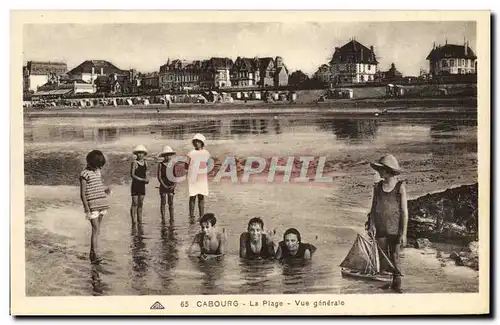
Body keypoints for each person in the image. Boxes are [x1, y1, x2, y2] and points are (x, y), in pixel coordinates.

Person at [365, 154, 408, 294]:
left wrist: (404, 233)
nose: (378, 172)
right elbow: (373, 208)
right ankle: (384, 290)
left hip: (395, 231)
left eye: (380, 169)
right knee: (382, 259)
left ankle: (397, 287)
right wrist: (371, 225)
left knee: (395, 259)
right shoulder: (377, 187)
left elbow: (404, 212)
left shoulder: (400, 187)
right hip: (380, 230)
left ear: (388, 170)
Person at [79, 150, 111, 264]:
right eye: (99, 165)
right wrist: (86, 209)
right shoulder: (84, 174)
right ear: (92, 163)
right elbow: (82, 194)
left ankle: (94, 253)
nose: (100, 168)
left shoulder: (97, 172)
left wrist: (105, 190)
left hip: (101, 203)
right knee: (95, 229)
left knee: (97, 230)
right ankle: (94, 254)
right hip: (92, 206)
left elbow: (98, 186)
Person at [186, 133, 211, 219]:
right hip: (193, 178)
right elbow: (186, 165)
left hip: (202, 178)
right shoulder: (191, 153)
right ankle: (191, 215)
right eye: (195, 142)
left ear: (202, 143)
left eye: (198, 142)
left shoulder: (206, 153)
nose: (197, 143)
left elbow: (207, 164)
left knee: (201, 196)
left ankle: (202, 215)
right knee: (192, 196)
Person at [157, 145, 177, 222]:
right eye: (166, 155)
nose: (168, 157)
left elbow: (175, 176)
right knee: (163, 202)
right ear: (164, 156)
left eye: (169, 155)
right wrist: (163, 185)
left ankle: (172, 218)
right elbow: (159, 177)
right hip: (163, 185)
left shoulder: (173, 164)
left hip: (171, 185)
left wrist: (174, 185)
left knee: (171, 202)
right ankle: (163, 218)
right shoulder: (161, 164)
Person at [130, 144, 149, 225]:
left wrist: (147, 179)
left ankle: (140, 220)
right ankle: (133, 221)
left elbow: (146, 173)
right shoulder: (134, 163)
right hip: (135, 185)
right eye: (139, 153)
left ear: (144, 154)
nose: (140, 155)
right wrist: (142, 179)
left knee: (140, 203)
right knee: (134, 203)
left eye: (142, 153)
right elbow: (132, 175)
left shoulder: (146, 163)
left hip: (142, 186)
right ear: (136, 154)